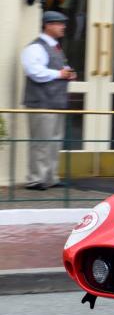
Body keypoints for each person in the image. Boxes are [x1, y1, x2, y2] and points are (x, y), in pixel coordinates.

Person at [20, 11, 76, 191]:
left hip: (56, 102)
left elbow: (56, 69)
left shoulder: (55, 47)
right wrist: (59, 74)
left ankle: (50, 177)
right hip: (41, 102)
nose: (63, 27)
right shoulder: (35, 47)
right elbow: (34, 72)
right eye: (59, 24)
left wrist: (68, 73)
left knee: (54, 141)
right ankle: (36, 179)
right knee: (41, 141)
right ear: (48, 25)